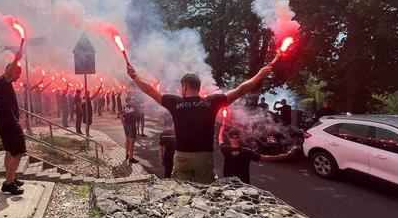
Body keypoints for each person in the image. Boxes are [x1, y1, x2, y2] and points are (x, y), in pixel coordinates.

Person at [127, 63, 273, 183]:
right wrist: (260, 74)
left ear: (184, 87)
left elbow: (150, 90)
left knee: (183, 191)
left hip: (181, 155)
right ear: (198, 87)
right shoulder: (211, 102)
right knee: (204, 192)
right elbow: (241, 89)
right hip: (204, 157)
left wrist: (134, 76)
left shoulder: (175, 102)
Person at [0, 51, 26, 194]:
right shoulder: (4, 81)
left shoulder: (3, 83)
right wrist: (16, 59)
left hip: (5, 123)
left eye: (20, 74)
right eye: (17, 73)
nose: (18, 76)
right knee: (18, 152)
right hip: (9, 123)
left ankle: (10, 179)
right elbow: (9, 74)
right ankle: (8, 184)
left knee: (9, 151)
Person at [218, 123, 293, 183]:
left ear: (228, 137)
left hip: (228, 183)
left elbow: (220, 139)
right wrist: (288, 155)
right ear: (239, 137)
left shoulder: (225, 149)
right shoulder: (247, 152)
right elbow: (266, 158)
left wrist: (222, 128)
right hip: (243, 185)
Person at [120, 95, 139, 163]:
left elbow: (121, 116)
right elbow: (141, 106)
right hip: (132, 126)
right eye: (132, 100)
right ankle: (131, 158)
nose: (133, 101)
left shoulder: (123, 108)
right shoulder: (133, 107)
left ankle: (126, 154)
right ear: (129, 101)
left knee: (127, 139)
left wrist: (123, 123)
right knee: (132, 143)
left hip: (126, 126)